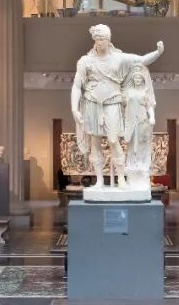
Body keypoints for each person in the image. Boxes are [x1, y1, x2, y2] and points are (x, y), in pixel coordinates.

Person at [69, 24, 163, 189]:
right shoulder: (85, 61)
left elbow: (141, 60)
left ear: (108, 39)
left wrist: (158, 52)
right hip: (92, 102)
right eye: (97, 39)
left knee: (113, 140)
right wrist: (74, 108)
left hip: (112, 102)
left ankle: (120, 179)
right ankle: (99, 180)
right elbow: (77, 86)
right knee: (95, 141)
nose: (99, 42)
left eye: (102, 39)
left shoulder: (119, 58)